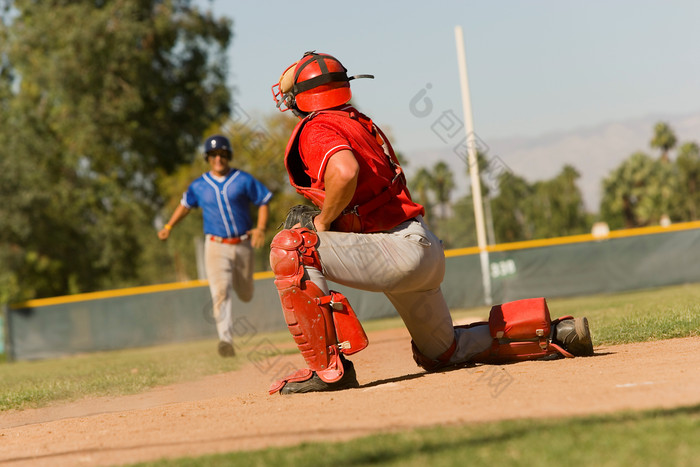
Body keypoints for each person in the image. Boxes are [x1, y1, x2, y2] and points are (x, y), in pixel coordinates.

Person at [267, 51, 593, 395]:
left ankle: (328, 372)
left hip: (394, 251)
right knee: (443, 351)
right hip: (418, 249)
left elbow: (344, 172)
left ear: (300, 100)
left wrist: (323, 221)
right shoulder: (355, 120)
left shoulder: (318, 127)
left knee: (293, 246)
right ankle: (557, 334)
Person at [158, 135, 272, 357]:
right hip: (215, 245)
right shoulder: (199, 185)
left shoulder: (243, 179)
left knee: (245, 293)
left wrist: (260, 227)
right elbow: (185, 205)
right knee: (220, 292)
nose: (218, 158)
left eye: (222, 154)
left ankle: (234, 317)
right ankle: (225, 340)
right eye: (213, 155)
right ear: (207, 158)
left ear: (228, 156)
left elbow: (264, 200)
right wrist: (169, 226)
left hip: (242, 244)